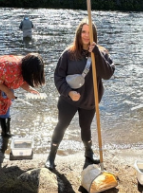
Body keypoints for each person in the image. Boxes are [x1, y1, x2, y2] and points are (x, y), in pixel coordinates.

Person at [45, 18, 115, 170]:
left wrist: (96, 53)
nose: (86, 35)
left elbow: (107, 74)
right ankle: (51, 156)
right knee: (61, 126)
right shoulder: (68, 54)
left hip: (90, 100)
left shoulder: (102, 53)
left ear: (94, 35)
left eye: (89, 32)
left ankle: (88, 154)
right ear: (78, 33)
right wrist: (68, 92)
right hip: (68, 100)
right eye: (83, 31)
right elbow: (58, 77)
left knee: (86, 127)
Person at [0, 53, 45, 156]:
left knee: (5, 109)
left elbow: (22, 80)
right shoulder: (11, 66)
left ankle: (6, 135)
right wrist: (8, 91)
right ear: (28, 69)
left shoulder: (25, 67)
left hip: (2, 84)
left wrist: (30, 89)